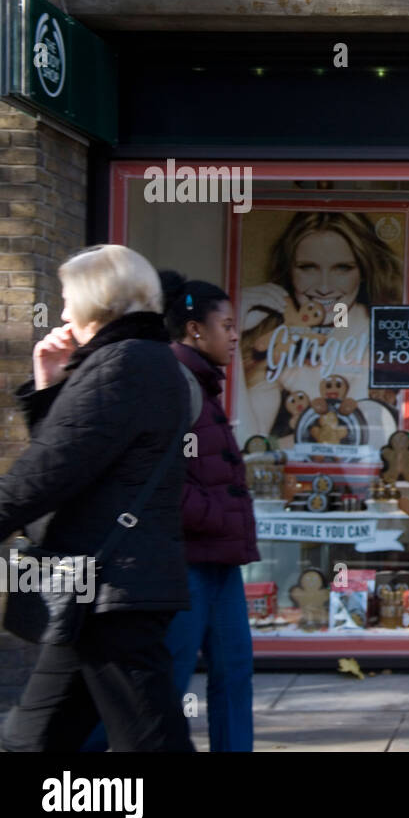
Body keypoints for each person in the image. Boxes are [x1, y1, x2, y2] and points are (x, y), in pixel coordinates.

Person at [0, 244, 194, 751]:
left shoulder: (120, 367)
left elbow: (42, 477)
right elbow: (77, 458)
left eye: (67, 300)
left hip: (111, 590)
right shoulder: (141, 361)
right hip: (100, 588)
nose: (62, 314)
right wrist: (49, 384)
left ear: (97, 301)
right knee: (31, 738)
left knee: (149, 741)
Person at [83, 273, 260, 752]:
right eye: (226, 324)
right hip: (182, 567)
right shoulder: (174, 384)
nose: (234, 334)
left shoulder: (203, 384)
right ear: (195, 329)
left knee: (235, 674)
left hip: (219, 564)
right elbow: (157, 478)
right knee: (162, 685)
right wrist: (220, 515)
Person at [235, 211, 402, 444]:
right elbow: (247, 445)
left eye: (342, 268)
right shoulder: (276, 340)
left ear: (363, 272)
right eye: (308, 268)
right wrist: (234, 330)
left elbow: (355, 444)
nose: (324, 287)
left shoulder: (387, 337)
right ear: (289, 272)